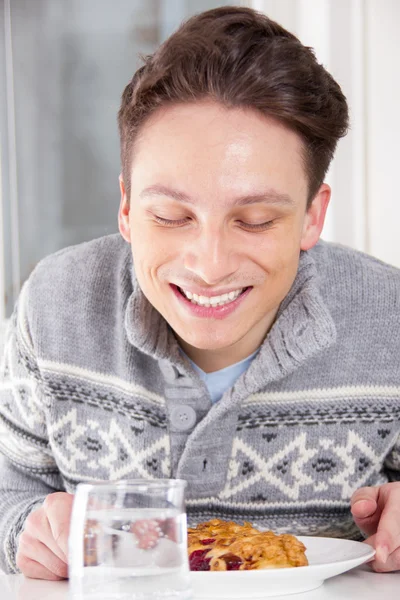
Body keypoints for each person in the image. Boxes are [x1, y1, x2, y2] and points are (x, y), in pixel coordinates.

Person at [0, 5, 399, 581]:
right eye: (170, 216)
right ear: (128, 208)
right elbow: (11, 491)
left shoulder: (389, 318)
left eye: (256, 220)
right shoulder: (54, 306)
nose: (209, 265)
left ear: (313, 216)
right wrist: (26, 529)